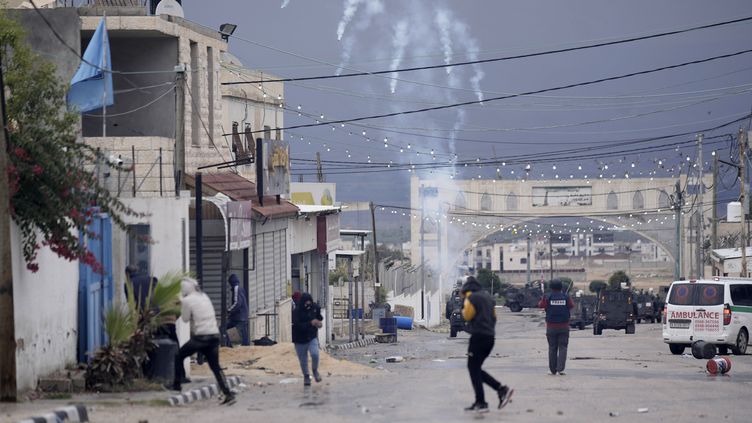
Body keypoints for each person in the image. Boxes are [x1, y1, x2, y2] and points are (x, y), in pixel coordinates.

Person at [166, 277, 236, 405]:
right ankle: (228, 393)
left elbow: (185, 319)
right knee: (215, 366)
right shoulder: (204, 296)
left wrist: (182, 304)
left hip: (201, 337)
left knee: (178, 355)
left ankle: (176, 385)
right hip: (214, 335)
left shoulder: (187, 300)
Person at [461, 276, 513, 413]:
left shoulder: (471, 297)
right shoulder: (488, 298)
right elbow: (494, 317)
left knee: (473, 368)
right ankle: (500, 390)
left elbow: (467, 315)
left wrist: (464, 309)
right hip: (490, 337)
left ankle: (482, 401)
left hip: (478, 337)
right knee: (475, 368)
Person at [538, 278, 574, 376]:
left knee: (552, 348)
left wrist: (543, 299)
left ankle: (552, 370)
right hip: (564, 326)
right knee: (563, 347)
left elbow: (541, 305)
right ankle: (560, 369)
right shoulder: (566, 297)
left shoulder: (548, 297)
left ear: (551, 287)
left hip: (551, 326)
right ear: (561, 287)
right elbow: (571, 306)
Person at [292, 292, 323, 386]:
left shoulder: (315, 308)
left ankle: (315, 370)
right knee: (303, 360)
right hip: (299, 339)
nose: (308, 305)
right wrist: (310, 323)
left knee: (315, 354)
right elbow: (297, 326)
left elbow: (319, 318)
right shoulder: (297, 312)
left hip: (311, 337)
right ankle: (306, 376)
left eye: (310, 303)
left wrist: (319, 323)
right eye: (306, 303)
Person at [223, 274, 249, 347]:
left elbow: (237, 303)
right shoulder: (240, 288)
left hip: (239, 317)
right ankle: (242, 348)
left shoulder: (236, 289)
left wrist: (229, 310)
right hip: (241, 316)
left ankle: (231, 347)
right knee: (243, 335)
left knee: (225, 328)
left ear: (231, 282)